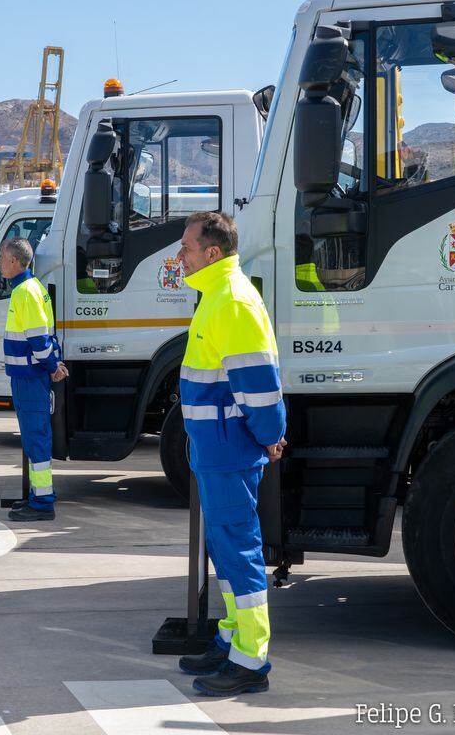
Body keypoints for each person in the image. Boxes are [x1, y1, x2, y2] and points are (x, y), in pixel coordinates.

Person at [173, 211, 285, 696]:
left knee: (239, 549)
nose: (180, 255)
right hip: (216, 447)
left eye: (186, 247)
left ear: (212, 253)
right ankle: (234, 639)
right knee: (225, 547)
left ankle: (250, 661)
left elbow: (258, 383)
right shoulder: (218, 295)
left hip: (229, 447)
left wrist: (269, 434)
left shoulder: (232, 300)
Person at [0, 238, 66, 522]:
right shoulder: (30, 288)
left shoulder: (25, 292)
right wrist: (53, 363)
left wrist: (51, 365)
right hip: (29, 375)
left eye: (2, 257)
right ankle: (39, 495)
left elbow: (38, 338)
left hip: (30, 376)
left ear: (14, 261)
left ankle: (42, 501)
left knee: (36, 438)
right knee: (35, 437)